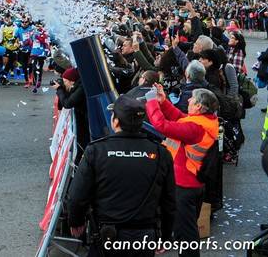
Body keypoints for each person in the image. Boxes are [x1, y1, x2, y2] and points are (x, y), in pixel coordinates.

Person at [67, 95, 176, 257]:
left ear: (116, 121)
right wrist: (166, 236)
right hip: (144, 235)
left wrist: (76, 222)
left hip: (107, 235)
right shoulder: (161, 153)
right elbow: (169, 200)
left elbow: (77, 196)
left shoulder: (96, 150)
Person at [146, 84, 219, 257]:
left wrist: (151, 103)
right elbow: (180, 118)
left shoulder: (195, 128)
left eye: (192, 99)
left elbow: (161, 125)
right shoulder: (205, 121)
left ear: (199, 106)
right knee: (186, 229)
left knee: (185, 235)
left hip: (184, 187)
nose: (188, 100)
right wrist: (163, 103)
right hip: (193, 183)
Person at [53, 67, 89, 162]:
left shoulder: (81, 88)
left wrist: (60, 90)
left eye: (65, 81)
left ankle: (82, 160)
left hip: (86, 118)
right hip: (83, 115)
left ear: (72, 81)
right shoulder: (77, 85)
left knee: (84, 139)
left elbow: (68, 103)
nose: (64, 83)